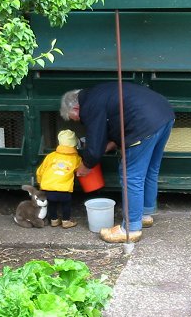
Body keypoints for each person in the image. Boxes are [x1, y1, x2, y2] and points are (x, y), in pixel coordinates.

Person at [60, 82, 174, 243]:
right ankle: (144, 215)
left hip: (142, 124)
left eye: (77, 119)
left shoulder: (89, 106)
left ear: (76, 109)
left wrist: (85, 166)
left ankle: (130, 229)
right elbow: (114, 125)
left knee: (131, 176)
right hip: (164, 115)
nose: (80, 121)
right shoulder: (98, 93)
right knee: (150, 170)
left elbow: (94, 144)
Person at [36, 129, 82, 229]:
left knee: (52, 205)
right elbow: (80, 171)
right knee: (66, 205)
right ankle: (66, 221)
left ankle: (54, 220)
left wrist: (40, 182)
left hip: (48, 187)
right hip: (64, 189)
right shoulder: (76, 158)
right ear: (74, 144)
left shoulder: (51, 156)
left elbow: (40, 171)